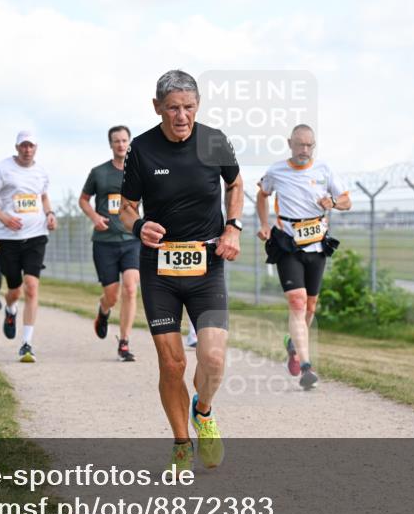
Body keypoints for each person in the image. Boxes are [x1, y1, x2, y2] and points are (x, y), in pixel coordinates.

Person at [120, 70, 243, 473]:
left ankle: (202, 411)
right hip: (160, 269)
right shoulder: (141, 149)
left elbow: (236, 184)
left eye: (189, 107)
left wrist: (233, 227)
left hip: (207, 266)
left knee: (212, 359)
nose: (182, 116)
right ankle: (179, 442)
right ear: (157, 108)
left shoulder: (214, 141)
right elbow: (125, 208)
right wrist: (139, 226)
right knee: (172, 364)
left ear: (198, 106)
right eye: (173, 108)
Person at [256, 124, 351, 389]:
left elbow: (347, 201)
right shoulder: (277, 170)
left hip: (317, 245)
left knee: (310, 306)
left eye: (310, 145)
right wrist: (264, 224)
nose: (305, 150)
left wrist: (333, 203)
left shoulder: (324, 170)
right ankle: (307, 367)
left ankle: (294, 345)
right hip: (287, 244)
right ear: (290, 143)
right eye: (300, 144)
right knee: (297, 303)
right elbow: (262, 194)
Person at [0, 131, 57, 362]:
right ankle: (10, 309)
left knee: (31, 286)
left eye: (31, 146)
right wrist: (4, 218)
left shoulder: (41, 172)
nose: (27, 150)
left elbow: (42, 196)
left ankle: (26, 343)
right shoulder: (3, 169)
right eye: (23, 146)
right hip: (8, 237)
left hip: (36, 234)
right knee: (14, 289)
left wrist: (50, 213)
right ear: (17, 147)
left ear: (36, 148)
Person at [79, 125, 141, 362]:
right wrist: (94, 217)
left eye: (125, 140)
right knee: (112, 295)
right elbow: (83, 200)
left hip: (130, 239)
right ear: (111, 144)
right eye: (117, 141)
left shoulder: (138, 171)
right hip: (104, 242)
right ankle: (104, 311)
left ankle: (124, 342)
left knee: (130, 288)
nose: (121, 145)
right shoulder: (99, 172)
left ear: (129, 142)